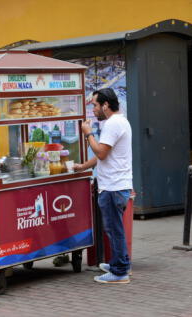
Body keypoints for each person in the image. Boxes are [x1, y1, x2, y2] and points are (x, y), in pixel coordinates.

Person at [75, 88, 132, 284]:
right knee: (115, 229)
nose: (94, 110)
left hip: (113, 187)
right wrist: (82, 166)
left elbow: (101, 153)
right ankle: (120, 263)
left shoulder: (113, 124)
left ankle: (119, 272)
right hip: (116, 185)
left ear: (106, 105)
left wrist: (88, 133)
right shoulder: (118, 121)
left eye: (95, 105)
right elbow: (104, 155)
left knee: (114, 230)